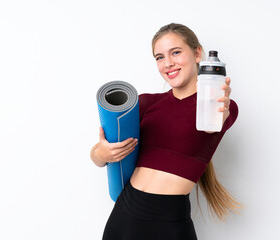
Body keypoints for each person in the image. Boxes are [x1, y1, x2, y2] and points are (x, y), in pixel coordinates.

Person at [90, 23, 242, 240]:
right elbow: (99, 151)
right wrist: (101, 154)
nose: (168, 63)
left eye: (176, 52)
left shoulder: (216, 107)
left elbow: (222, 117)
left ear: (197, 53)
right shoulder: (145, 103)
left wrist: (219, 104)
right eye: (159, 57)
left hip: (169, 221)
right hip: (124, 215)